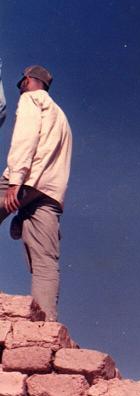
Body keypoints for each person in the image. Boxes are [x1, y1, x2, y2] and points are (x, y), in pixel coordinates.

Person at [0, 65, 72, 321]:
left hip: (24, 180)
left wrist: (15, 181)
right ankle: (44, 328)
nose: (20, 87)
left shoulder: (32, 100)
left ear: (28, 81)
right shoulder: (61, 117)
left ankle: (20, 215)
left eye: (21, 83)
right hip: (50, 194)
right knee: (45, 261)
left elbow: (26, 138)